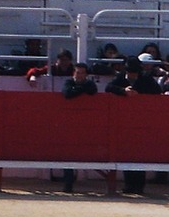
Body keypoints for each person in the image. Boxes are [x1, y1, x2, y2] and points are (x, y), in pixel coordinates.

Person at [106, 56, 160, 194]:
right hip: (124, 121)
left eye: (134, 72)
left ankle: (139, 186)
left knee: (139, 153)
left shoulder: (146, 79)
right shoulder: (121, 79)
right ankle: (129, 185)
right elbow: (109, 88)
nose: (132, 74)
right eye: (131, 71)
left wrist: (139, 94)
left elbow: (157, 92)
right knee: (127, 152)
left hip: (142, 121)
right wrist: (123, 91)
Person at [60, 62, 97, 193]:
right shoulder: (69, 83)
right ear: (73, 73)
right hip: (69, 126)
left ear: (86, 75)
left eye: (82, 73)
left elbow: (93, 91)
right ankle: (68, 184)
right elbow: (67, 94)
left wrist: (78, 90)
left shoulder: (89, 84)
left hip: (88, 126)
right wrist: (82, 90)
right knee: (68, 154)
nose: (79, 75)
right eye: (77, 72)